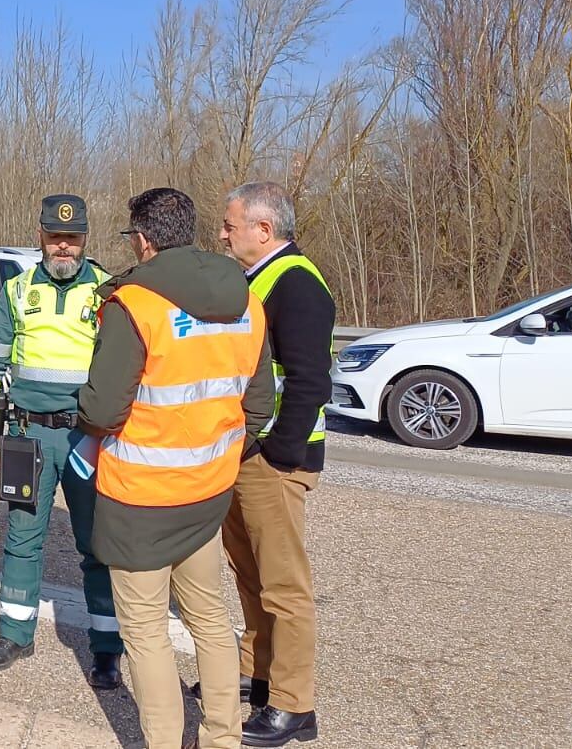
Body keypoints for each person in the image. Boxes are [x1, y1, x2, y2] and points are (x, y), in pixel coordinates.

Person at [78, 187, 276, 749]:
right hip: (208, 492)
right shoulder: (247, 301)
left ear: (142, 240)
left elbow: (103, 409)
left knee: (145, 632)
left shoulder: (134, 305)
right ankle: (222, 739)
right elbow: (259, 404)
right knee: (210, 621)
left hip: (140, 497)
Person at [0, 194, 125, 689]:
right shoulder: (15, 292)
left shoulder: (107, 290)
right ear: (40, 235)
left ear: (85, 240)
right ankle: (15, 634)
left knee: (98, 544)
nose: (64, 246)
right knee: (21, 539)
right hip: (26, 434)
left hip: (87, 438)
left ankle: (107, 649)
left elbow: (123, 371)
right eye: (55, 237)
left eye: (73, 238)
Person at [216, 181, 335, 747]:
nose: (222, 233)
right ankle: (255, 671)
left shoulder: (298, 284)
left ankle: (293, 706)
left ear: (263, 230)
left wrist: (279, 450)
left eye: (230, 224)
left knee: (284, 584)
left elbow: (311, 379)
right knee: (250, 572)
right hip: (249, 451)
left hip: (275, 457)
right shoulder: (259, 278)